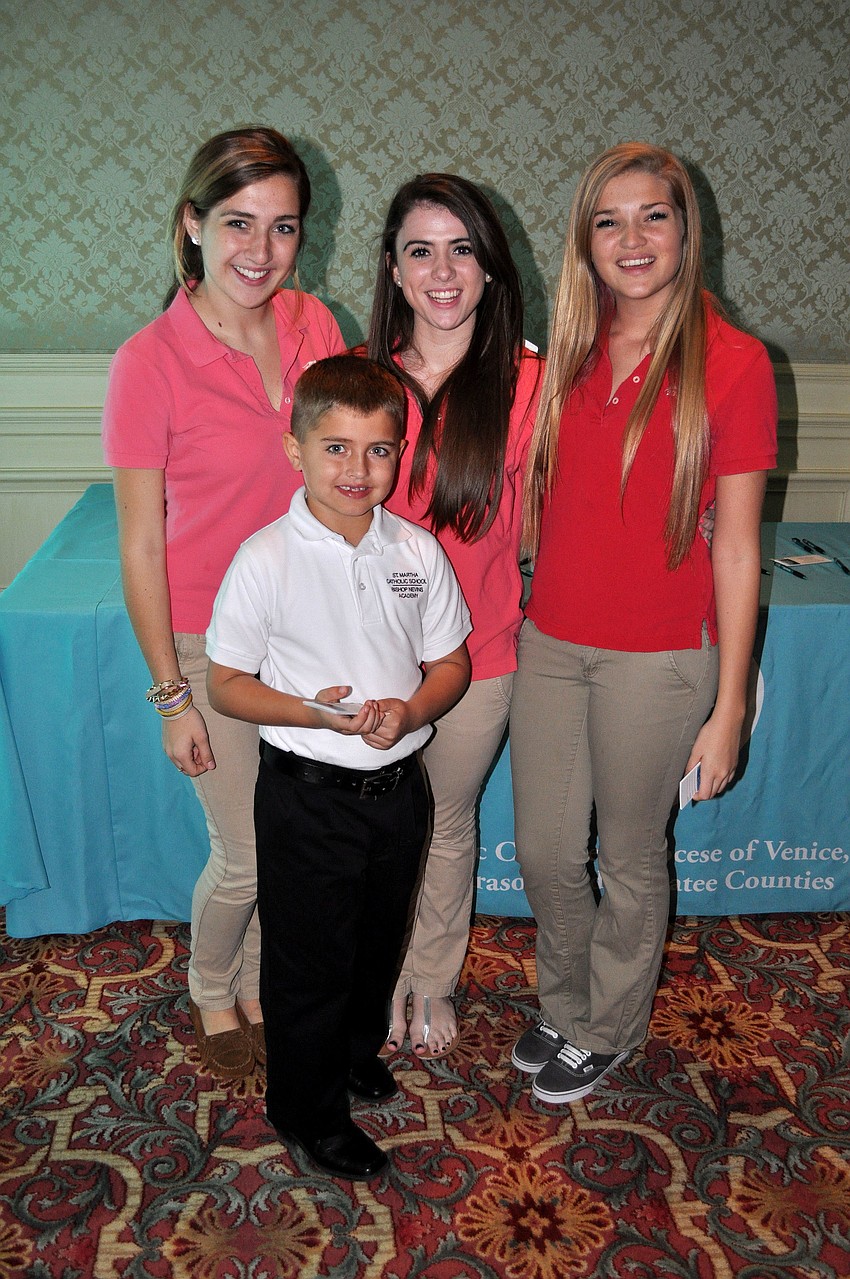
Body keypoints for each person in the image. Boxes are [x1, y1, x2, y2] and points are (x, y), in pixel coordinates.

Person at [510, 143, 778, 1104]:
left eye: (652, 216)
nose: (631, 239)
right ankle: (565, 1001)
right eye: (607, 220)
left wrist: (730, 704)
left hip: (661, 659)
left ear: (685, 228)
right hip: (551, 643)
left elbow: (739, 547)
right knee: (544, 848)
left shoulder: (735, 364)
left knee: (628, 854)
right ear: (585, 239)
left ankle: (607, 1027)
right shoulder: (566, 353)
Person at [102, 127, 345, 1080]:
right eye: (239, 223)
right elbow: (141, 540)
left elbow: (347, 470)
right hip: (215, 643)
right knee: (244, 851)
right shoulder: (147, 361)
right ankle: (212, 989)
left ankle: (252, 983)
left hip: (309, 630)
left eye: (282, 228)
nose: (260, 250)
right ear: (193, 224)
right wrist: (173, 694)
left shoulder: (315, 324)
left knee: (288, 841)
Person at [205, 354, 471, 1180]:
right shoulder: (265, 558)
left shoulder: (416, 551)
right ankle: (305, 1108)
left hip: (399, 790)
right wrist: (310, 709)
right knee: (308, 957)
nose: (358, 470)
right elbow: (225, 684)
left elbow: (451, 663)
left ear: (402, 452)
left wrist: (413, 710)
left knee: (375, 940)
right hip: (307, 794)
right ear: (295, 450)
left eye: (378, 450)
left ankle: (353, 1054)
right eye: (336, 448)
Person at [367, 174, 543, 1059]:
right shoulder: (362, 384)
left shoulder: (530, 382)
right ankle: (375, 966)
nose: (443, 270)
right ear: (394, 272)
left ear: (490, 268)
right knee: (375, 822)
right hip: (368, 654)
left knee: (443, 816)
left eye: (462, 248)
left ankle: (431, 974)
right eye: (421, 250)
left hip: (480, 653)